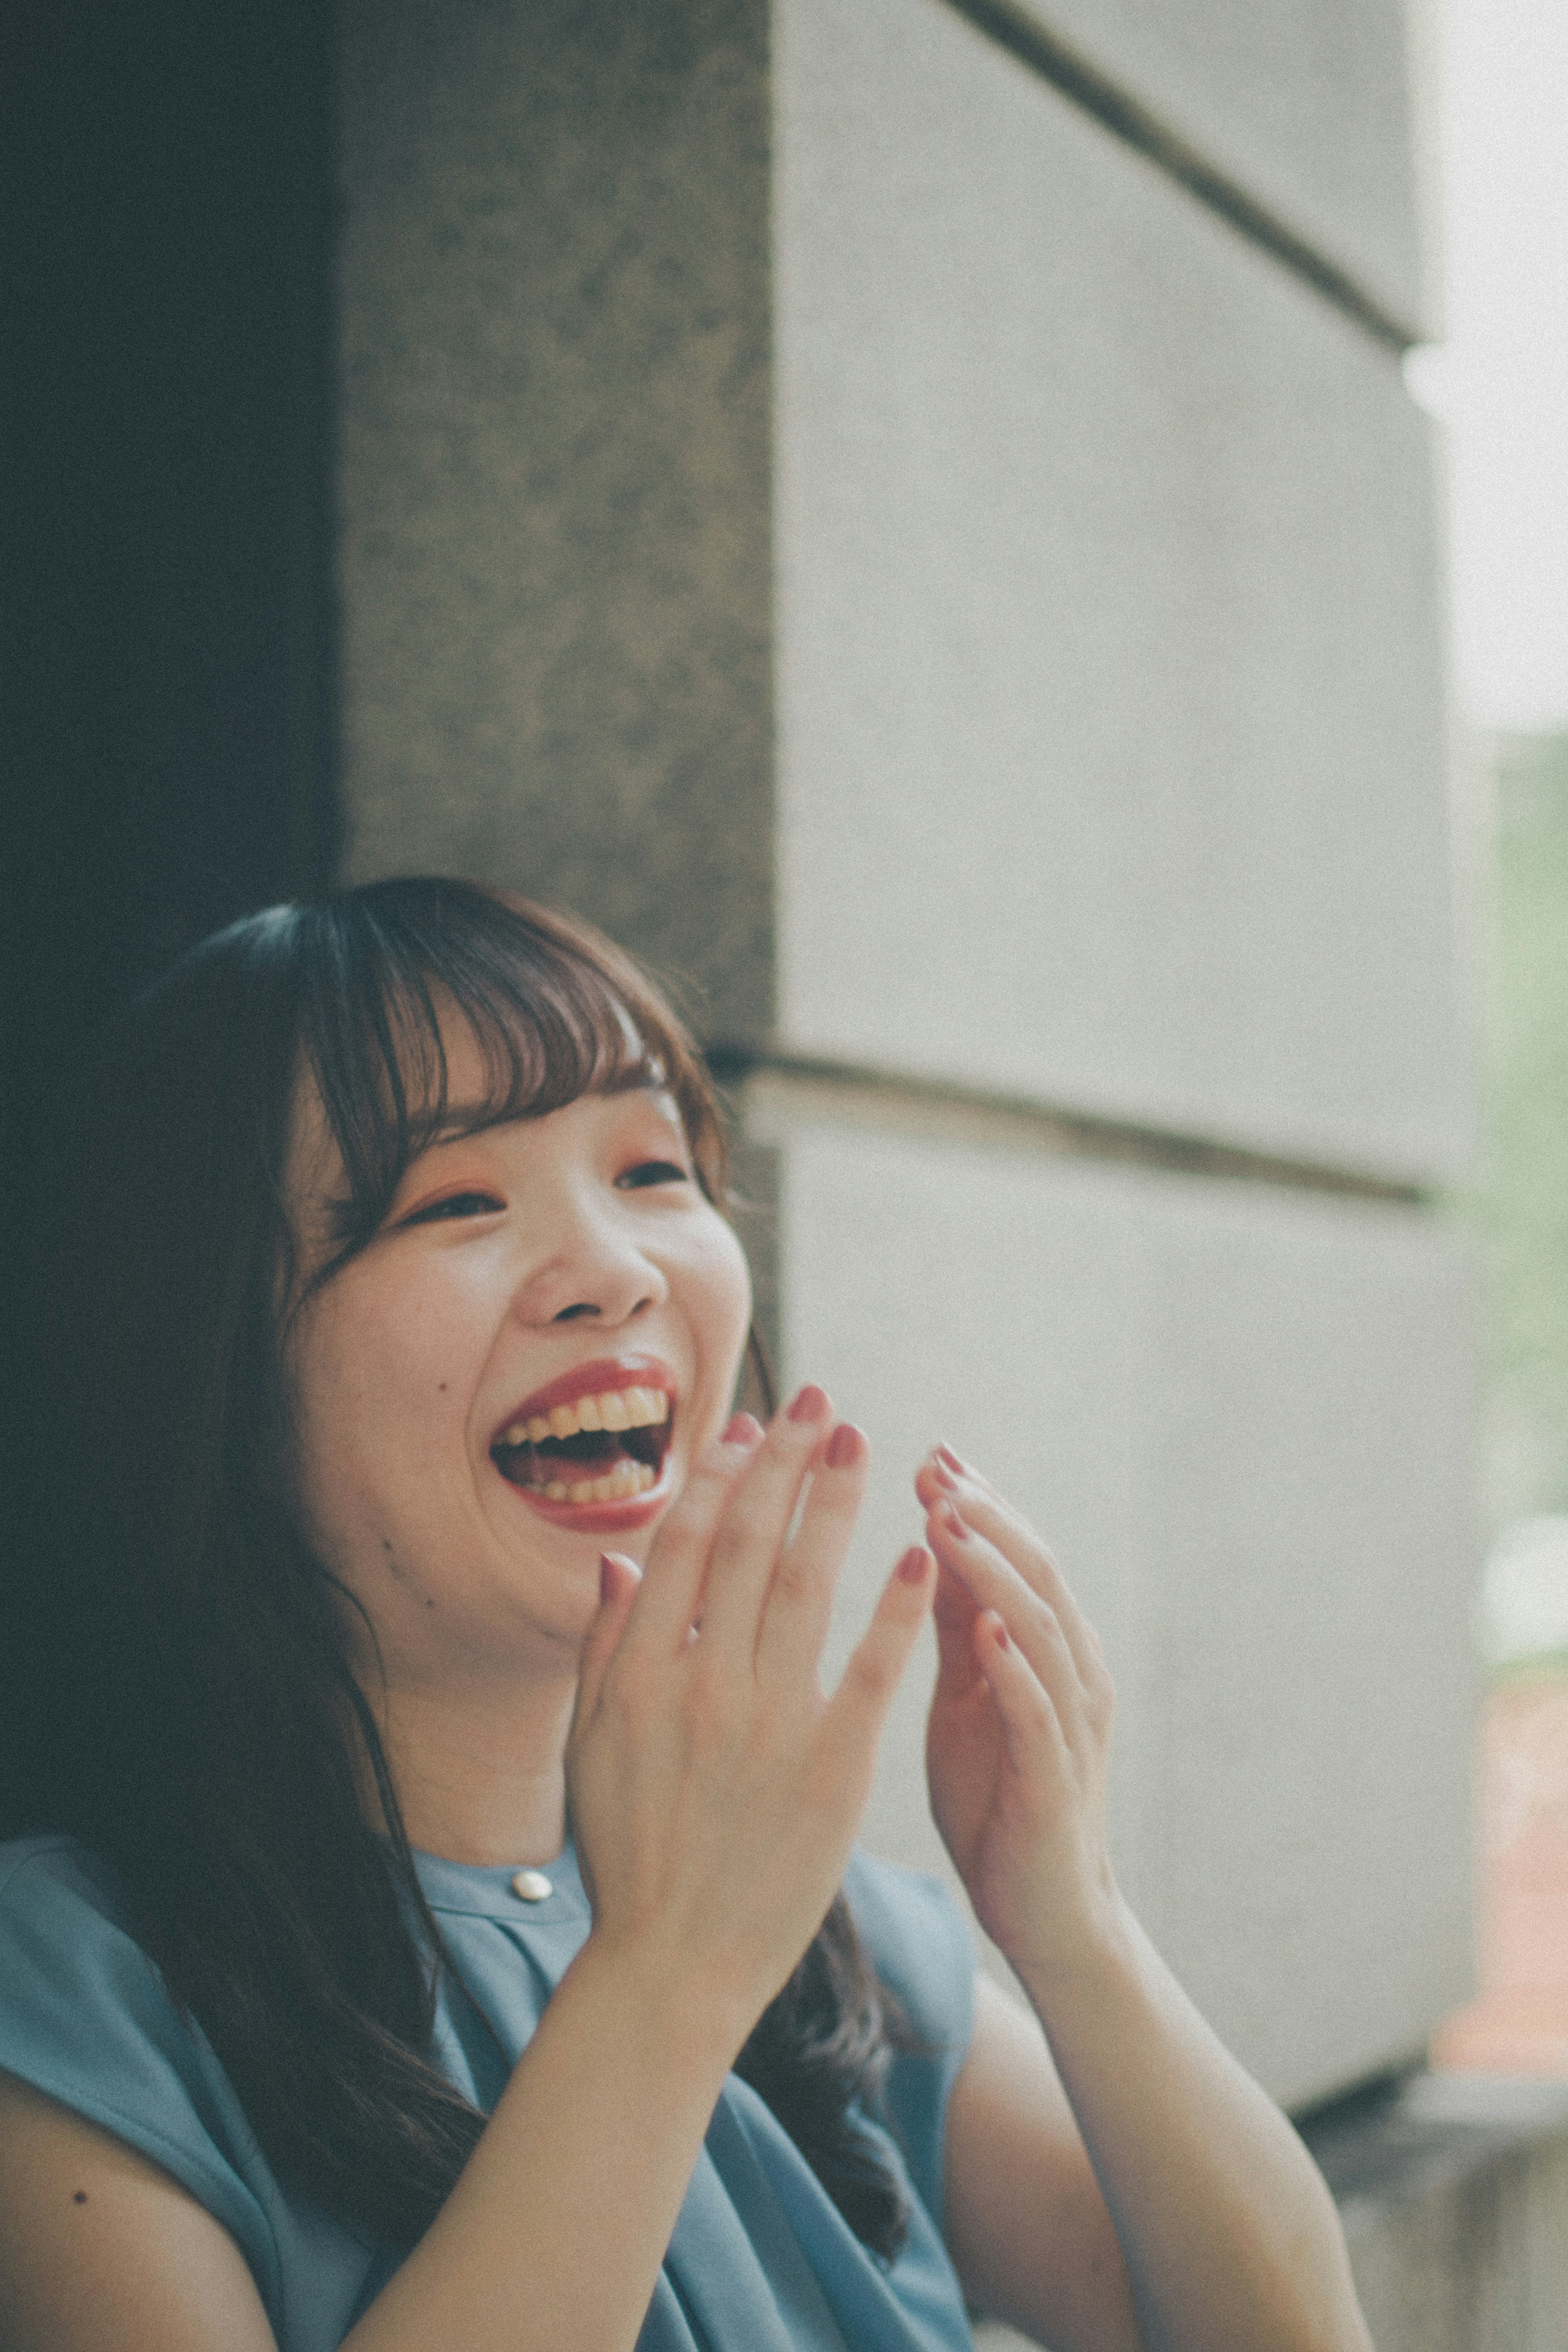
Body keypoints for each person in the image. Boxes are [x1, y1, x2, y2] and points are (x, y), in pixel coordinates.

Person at [0, 877, 1372, 2352]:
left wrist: (1073, 1922)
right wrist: (657, 1985)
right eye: (457, 1200)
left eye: (655, 1170)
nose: (615, 1269)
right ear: (220, 1371)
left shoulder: (842, 1940)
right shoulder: (75, 2006)